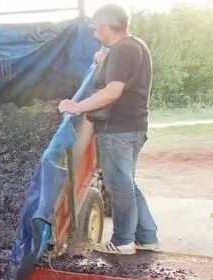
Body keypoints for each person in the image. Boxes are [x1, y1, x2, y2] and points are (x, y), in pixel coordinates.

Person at [58, 3, 158, 255]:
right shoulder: (135, 46)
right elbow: (122, 75)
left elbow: (112, 93)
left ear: (106, 26)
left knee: (118, 185)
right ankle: (147, 237)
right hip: (134, 127)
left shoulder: (122, 51)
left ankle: (123, 240)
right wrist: (105, 61)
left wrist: (77, 105)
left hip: (117, 130)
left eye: (95, 28)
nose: (94, 34)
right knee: (128, 183)